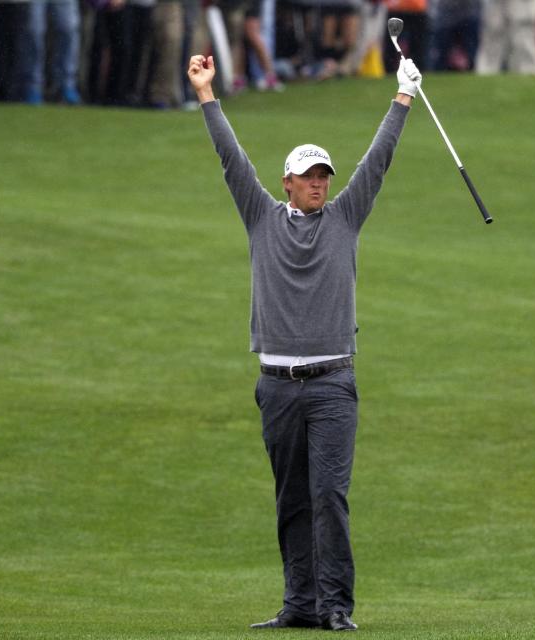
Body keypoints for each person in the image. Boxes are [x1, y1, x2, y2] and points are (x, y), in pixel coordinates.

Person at [186, 49, 421, 632]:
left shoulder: (344, 219)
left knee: (329, 499)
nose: (320, 184)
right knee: (291, 500)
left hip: (331, 383)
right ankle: (299, 605)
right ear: (287, 182)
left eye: (324, 177)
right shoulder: (261, 217)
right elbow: (229, 158)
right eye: (309, 177)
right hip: (276, 385)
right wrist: (206, 94)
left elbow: (377, 162)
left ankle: (336, 607)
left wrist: (402, 98)